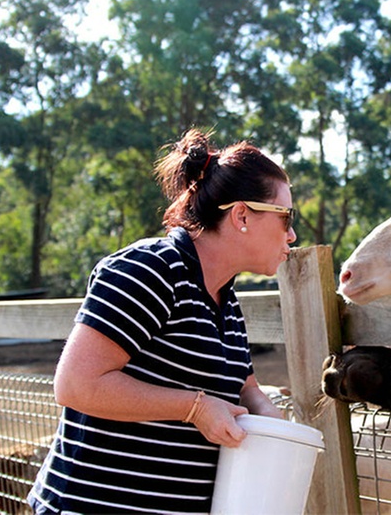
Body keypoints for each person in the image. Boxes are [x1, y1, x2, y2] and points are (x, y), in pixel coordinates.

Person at [28, 128, 295, 513]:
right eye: (285, 216)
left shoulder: (226, 298)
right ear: (241, 216)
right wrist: (196, 407)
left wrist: (270, 419)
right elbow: (75, 384)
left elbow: (243, 385)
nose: (292, 233)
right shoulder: (150, 270)